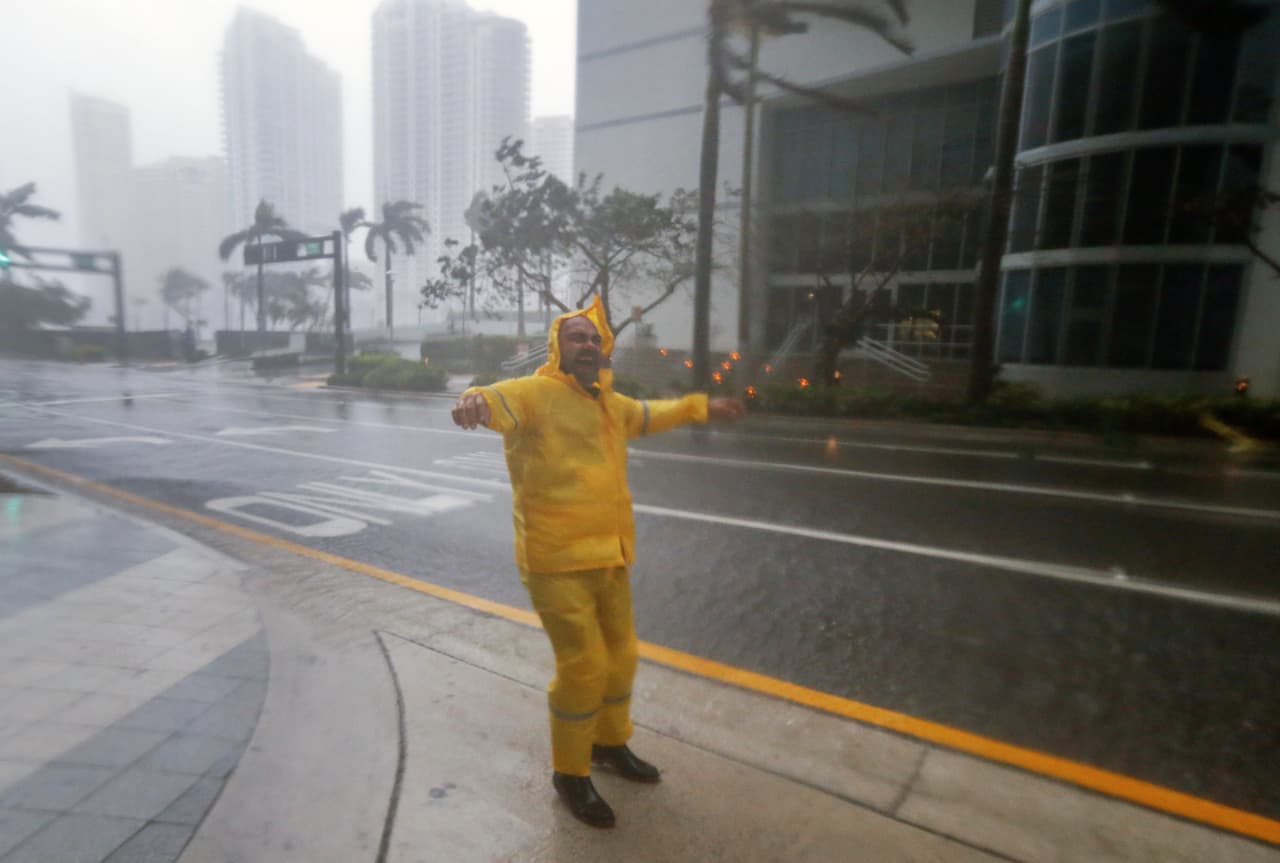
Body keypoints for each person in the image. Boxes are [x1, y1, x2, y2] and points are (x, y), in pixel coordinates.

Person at [451, 298, 745, 828]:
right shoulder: (535, 394)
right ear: (556, 347)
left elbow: (654, 413)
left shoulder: (609, 403)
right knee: (584, 666)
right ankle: (570, 772)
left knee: (621, 657)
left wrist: (703, 406)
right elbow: (493, 398)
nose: (587, 345)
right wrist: (473, 401)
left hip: (611, 556)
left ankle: (610, 745)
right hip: (555, 561)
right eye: (576, 338)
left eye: (594, 339)